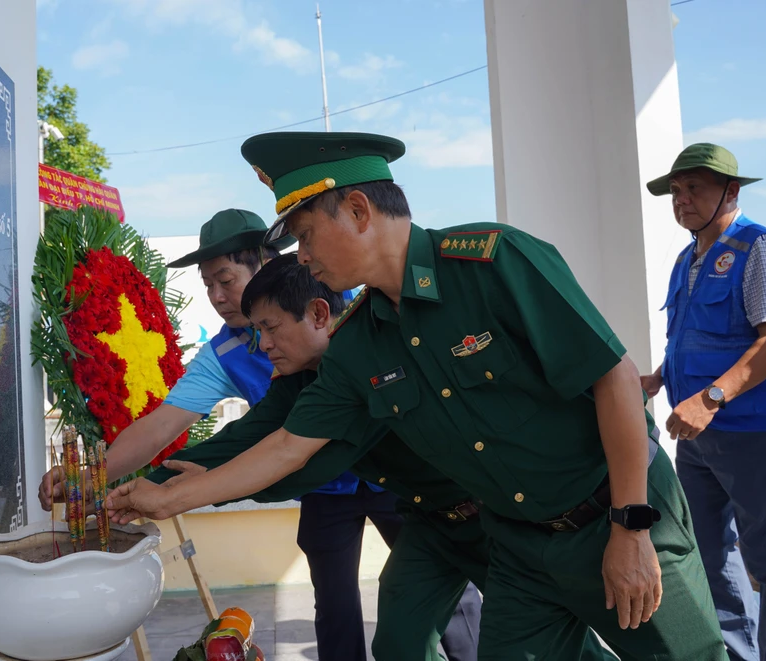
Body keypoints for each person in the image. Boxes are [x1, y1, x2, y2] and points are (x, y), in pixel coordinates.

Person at [107, 131, 728, 660]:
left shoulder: (495, 262)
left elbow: (612, 378)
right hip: (518, 545)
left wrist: (631, 525)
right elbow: (288, 446)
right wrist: (168, 497)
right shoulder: (357, 345)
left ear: (355, 210)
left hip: (612, 514)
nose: (302, 256)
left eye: (303, 233)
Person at [39, 209, 478, 661]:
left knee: (451, 603)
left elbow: (290, 451)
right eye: (207, 284)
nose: (215, 296)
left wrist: (177, 495)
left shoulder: (348, 311)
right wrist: (104, 478)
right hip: (324, 486)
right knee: (344, 608)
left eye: (225, 280)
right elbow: (211, 430)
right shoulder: (232, 351)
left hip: (415, 487)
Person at [146, 253, 604, 660]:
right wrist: (150, 481)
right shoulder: (300, 379)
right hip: (429, 524)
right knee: (399, 644)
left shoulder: (369, 358)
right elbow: (249, 434)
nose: (263, 345)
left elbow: (302, 462)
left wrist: (183, 495)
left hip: (490, 518)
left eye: (270, 328)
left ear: (319, 314)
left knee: (547, 648)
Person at [640, 143, 766, 661]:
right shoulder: (687, 259)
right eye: (676, 190)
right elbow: (691, 338)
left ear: (731, 192)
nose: (683, 199)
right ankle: (739, 654)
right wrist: (655, 380)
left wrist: (710, 399)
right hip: (697, 438)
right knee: (707, 557)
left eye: (696, 188)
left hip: (756, 432)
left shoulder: (762, 249)